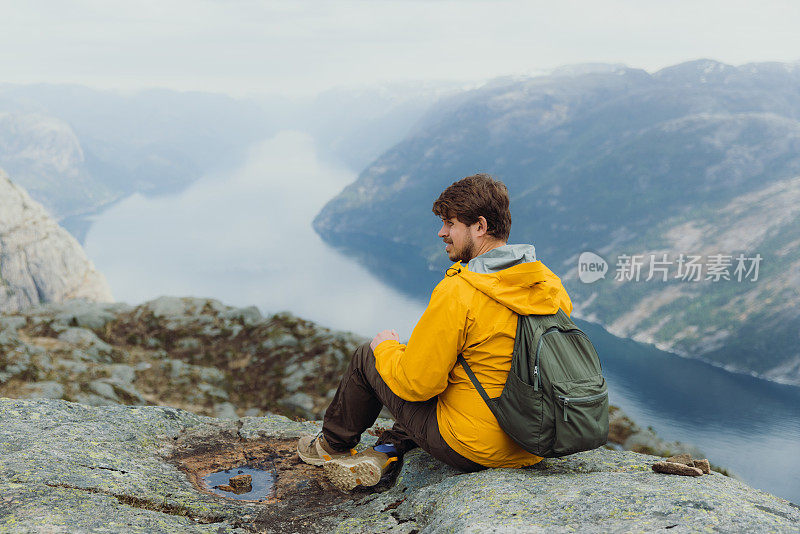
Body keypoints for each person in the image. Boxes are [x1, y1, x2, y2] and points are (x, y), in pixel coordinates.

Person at [297, 173, 573, 491]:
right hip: (533, 442)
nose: (441, 232)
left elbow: (417, 386)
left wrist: (385, 348)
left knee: (368, 356)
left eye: (450, 223)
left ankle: (330, 447)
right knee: (453, 369)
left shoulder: (460, 291)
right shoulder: (548, 285)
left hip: (475, 449)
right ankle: (386, 450)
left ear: (480, 227)